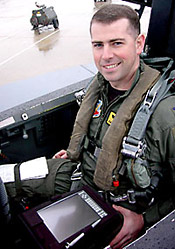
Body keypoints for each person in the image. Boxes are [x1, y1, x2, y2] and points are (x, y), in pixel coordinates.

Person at [3, 4, 175, 248]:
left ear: (138, 44)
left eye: (116, 43)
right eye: (98, 45)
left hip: (120, 208)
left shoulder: (165, 116)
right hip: (78, 176)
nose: (106, 56)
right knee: (5, 179)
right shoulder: (101, 88)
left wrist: (144, 219)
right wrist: (75, 152)